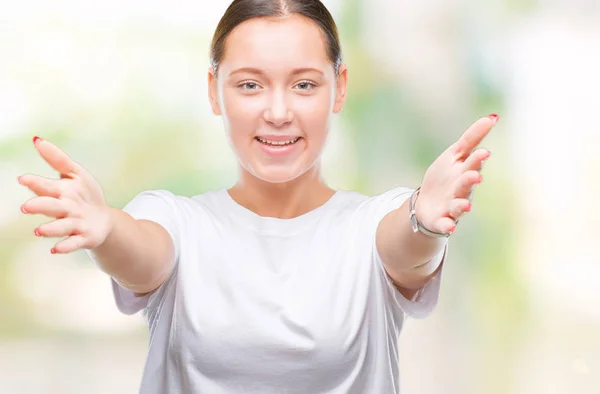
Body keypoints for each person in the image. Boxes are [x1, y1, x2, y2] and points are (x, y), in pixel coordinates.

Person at [17, 0, 498, 393]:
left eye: (304, 84)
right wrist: (105, 231)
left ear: (339, 88)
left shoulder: (373, 223)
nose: (278, 111)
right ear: (214, 91)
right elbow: (142, 256)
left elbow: (407, 249)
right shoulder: (174, 219)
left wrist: (424, 221)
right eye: (250, 85)